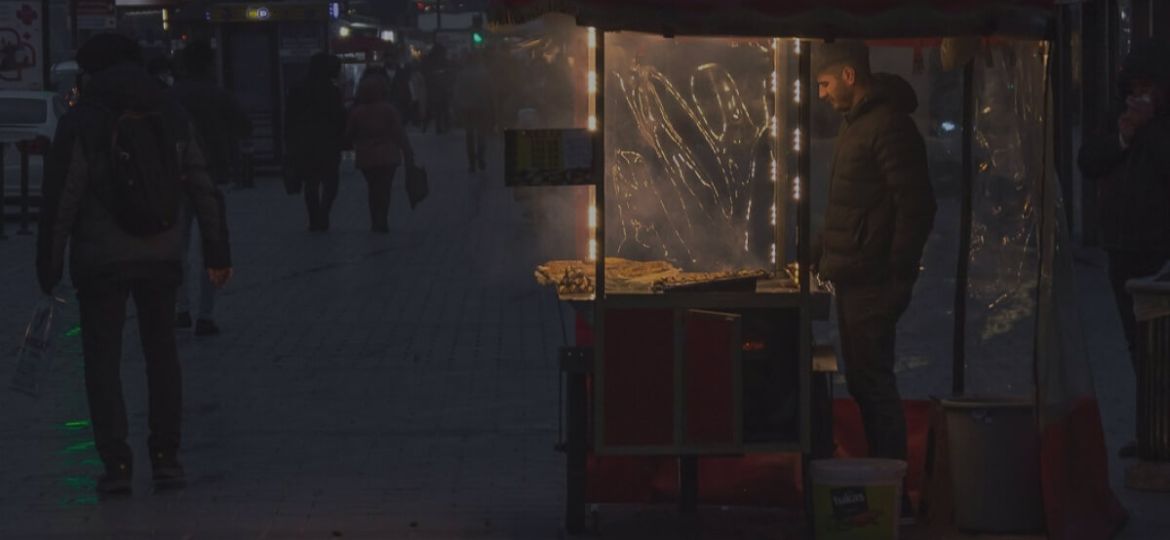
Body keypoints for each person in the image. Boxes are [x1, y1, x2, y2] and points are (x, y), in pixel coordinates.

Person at [35, 33, 232, 495]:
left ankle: (116, 465)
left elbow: (61, 199)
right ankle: (166, 459)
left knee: (102, 363)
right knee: (162, 357)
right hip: (161, 254)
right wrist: (218, 252)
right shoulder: (171, 113)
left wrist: (49, 266)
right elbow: (203, 186)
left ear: (90, 72)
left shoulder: (82, 120)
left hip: (100, 261)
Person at [812, 41, 936, 465]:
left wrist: (897, 275)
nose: (821, 94)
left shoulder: (889, 126)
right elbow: (854, 205)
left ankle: (892, 488)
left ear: (849, 76)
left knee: (874, 383)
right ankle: (884, 481)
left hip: (873, 282)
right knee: (864, 383)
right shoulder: (857, 125)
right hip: (854, 278)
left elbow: (916, 205)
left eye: (825, 83)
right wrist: (817, 249)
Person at [1078, 39, 1170, 458]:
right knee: (1137, 341)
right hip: (1122, 243)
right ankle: (1152, 428)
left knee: (1161, 340)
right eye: (1134, 88)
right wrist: (1125, 133)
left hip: (1160, 243)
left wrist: (1146, 130)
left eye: (1148, 86)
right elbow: (1090, 159)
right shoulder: (1119, 118)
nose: (1140, 95)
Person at [171, 40, 252, 336]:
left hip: (176, 180)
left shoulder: (172, 95)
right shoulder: (219, 95)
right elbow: (245, 126)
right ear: (208, 65)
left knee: (177, 246)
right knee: (213, 245)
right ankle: (206, 314)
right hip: (213, 177)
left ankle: (181, 309)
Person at [285, 52, 346, 231]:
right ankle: (323, 213)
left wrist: (289, 142)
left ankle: (314, 218)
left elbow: (289, 117)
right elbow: (338, 117)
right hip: (328, 142)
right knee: (331, 181)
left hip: (304, 143)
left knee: (311, 182)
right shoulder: (332, 91)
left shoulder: (297, 88)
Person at [346, 75, 414, 233]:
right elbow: (399, 133)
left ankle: (374, 219)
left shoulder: (357, 112)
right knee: (385, 188)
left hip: (366, 156)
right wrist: (407, 150)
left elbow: (349, 135)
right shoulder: (388, 109)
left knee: (372, 188)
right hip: (387, 155)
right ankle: (382, 218)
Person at [453, 52, 492, 173]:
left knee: (469, 135)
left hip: (467, 108)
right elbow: (489, 90)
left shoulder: (462, 74)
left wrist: (457, 108)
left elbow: (457, 92)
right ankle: (481, 157)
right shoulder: (484, 72)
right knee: (481, 134)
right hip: (481, 107)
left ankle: (471, 163)